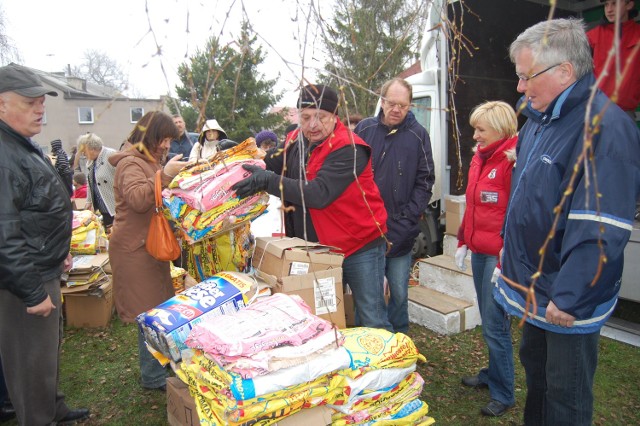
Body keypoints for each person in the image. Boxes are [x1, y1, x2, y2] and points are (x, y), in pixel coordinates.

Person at [494, 18, 640, 425]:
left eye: (526, 77)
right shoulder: (539, 121)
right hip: (535, 289)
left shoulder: (605, 129)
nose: (520, 88)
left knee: (566, 397)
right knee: (538, 381)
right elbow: (527, 199)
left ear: (565, 72)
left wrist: (570, 297)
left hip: (565, 301)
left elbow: (600, 226)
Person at [233, 83, 392, 331]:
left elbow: (320, 194)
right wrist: (238, 161)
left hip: (359, 245)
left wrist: (269, 181)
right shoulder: (296, 139)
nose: (313, 125)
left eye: (321, 117)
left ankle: (387, 363)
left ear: (335, 117)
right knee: (323, 315)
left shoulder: (349, 148)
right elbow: (274, 163)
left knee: (371, 315)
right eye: (306, 117)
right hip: (319, 250)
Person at [0, 63, 90, 424]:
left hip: (43, 267)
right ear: (2, 105)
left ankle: (53, 407)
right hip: (24, 282)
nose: (40, 109)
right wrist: (33, 292)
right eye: (30, 102)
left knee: (46, 352)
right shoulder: (4, 156)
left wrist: (58, 249)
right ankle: (39, 418)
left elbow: (34, 211)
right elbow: (4, 235)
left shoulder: (20, 145)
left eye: (41, 101)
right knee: (30, 361)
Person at [108, 111, 185, 391]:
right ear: (150, 136)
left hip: (147, 246)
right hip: (134, 250)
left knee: (157, 309)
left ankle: (158, 368)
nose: (166, 145)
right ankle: (153, 376)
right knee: (148, 313)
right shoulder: (130, 163)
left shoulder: (146, 161)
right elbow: (139, 199)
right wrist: (164, 176)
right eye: (163, 138)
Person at [354, 77, 435, 333]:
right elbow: (350, 174)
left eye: (403, 104)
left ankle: (401, 342)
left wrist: (409, 217)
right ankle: (366, 343)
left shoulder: (418, 135)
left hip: (401, 230)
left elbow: (425, 180)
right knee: (368, 293)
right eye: (392, 103)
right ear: (382, 101)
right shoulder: (364, 130)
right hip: (366, 231)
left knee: (399, 293)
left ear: (410, 106)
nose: (396, 109)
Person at [454, 101, 518, 417]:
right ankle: (493, 375)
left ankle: (504, 393)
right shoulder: (480, 159)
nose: (475, 135)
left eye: (481, 129)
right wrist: (463, 240)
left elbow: (517, 213)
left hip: (498, 256)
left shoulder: (512, 162)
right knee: (488, 320)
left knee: (495, 325)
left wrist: (508, 256)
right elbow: (474, 206)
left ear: (500, 128)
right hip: (479, 252)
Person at [586, 0, 640, 117]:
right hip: (596, 112)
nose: (609, 9)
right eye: (606, 4)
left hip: (626, 114)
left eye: (614, 3)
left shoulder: (638, 34)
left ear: (629, 5)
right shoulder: (591, 37)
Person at [77, 133, 117, 229]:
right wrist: (89, 201)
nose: (83, 155)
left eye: (84, 152)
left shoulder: (111, 155)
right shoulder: (91, 162)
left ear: (92, 149)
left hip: (115, 207)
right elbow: (91, 182)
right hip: (103, 208)